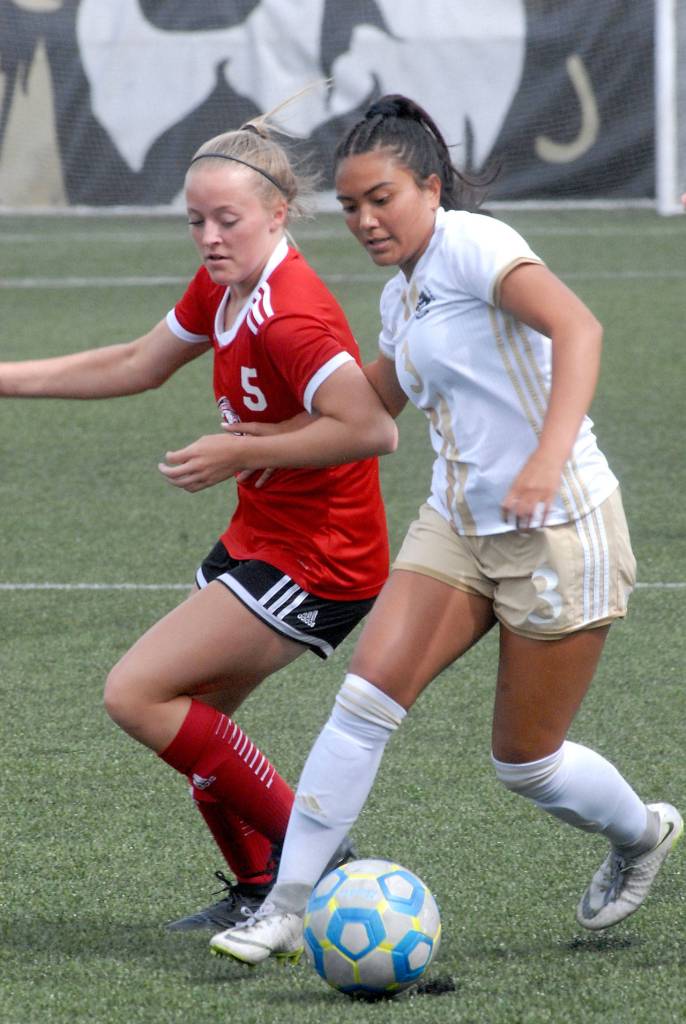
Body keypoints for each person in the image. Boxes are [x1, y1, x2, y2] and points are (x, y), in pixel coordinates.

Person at [209, 94, 683, 965]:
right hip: (458, 523)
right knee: (363, 704)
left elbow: (578, 327)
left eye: (381, 197)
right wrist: (263, 441)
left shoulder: (475, 243)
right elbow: (376, 401)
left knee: (526, 762)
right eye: (351, 205)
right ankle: (284, 907)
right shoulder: (405, 294)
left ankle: (642, 832)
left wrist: (545, 459)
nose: (364, 219)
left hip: (560, 529)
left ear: (430, 187)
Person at [0, 105, 398, 931]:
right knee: (191, 711)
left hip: (323, 557)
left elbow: (371, 428)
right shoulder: (227, 283)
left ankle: (319, 868)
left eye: (228, 220)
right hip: (266, 536)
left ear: (277, 215)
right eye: (196, 221)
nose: (210, 237)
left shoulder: (290, 314)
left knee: (137, 694)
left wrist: (234, 451)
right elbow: (138, 363)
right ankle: (258, 884)